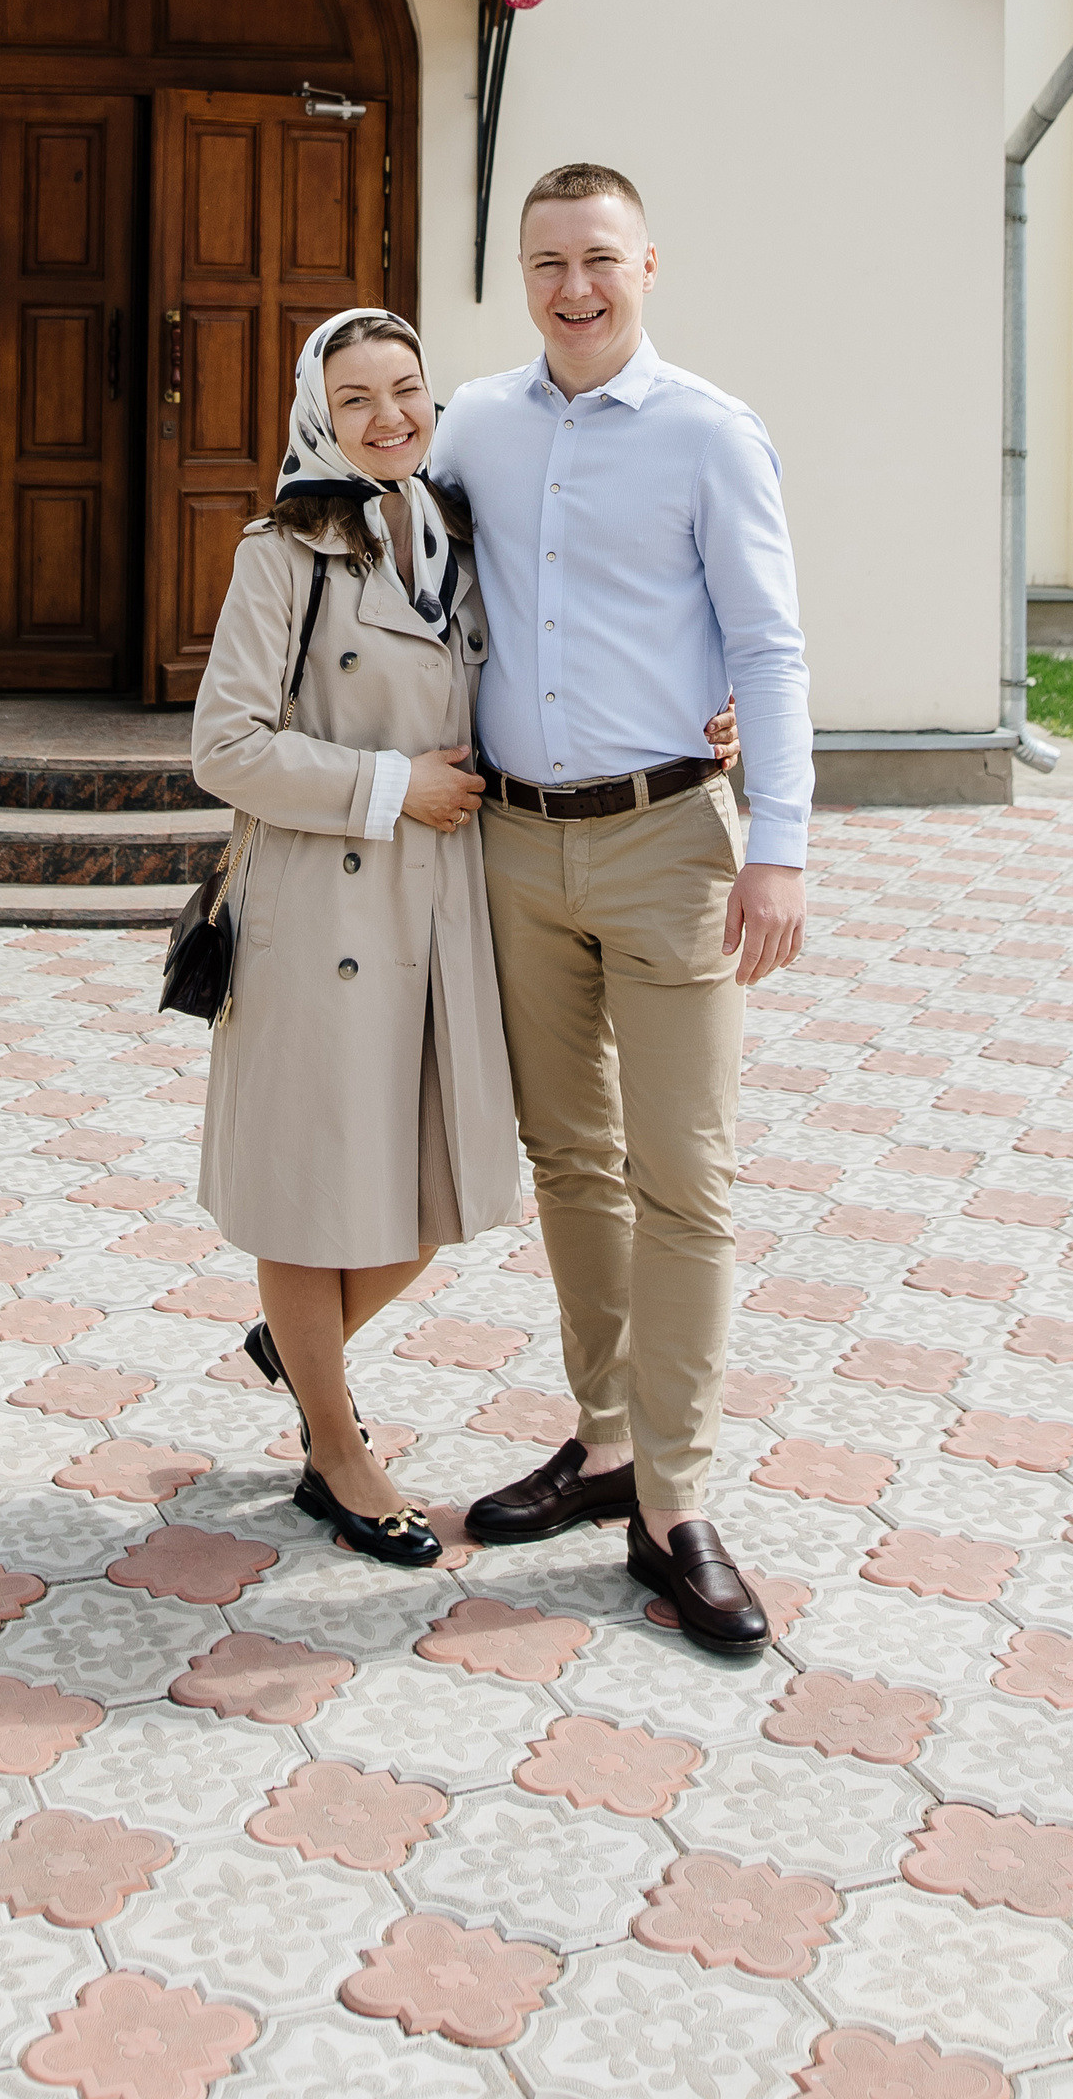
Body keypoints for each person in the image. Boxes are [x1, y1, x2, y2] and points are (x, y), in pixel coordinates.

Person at [431, 162, 813, 1652]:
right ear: (520, 274)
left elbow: (770, 648)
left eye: (598, 258)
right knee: (570, 1160)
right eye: (545, 262)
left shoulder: (712, 435)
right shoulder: (472, 424)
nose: (572, 286)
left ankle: (675, 1503)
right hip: (518, 850)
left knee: (689, 1182)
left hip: (673, 849)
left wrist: (776, 846)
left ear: (649, 263)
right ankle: (602, 1445)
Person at [190, 310, 514, 1564]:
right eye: (359, 398)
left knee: (440, 1179)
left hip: (442, 907)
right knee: (313, 1193)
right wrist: (392, 788)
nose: (390, 419)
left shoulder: (455, 536)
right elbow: (224, 747)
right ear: (317, 415)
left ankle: (298, 1348)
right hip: (324, 908)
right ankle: (337, 1453)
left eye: (408, 391)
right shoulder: (281, 552)